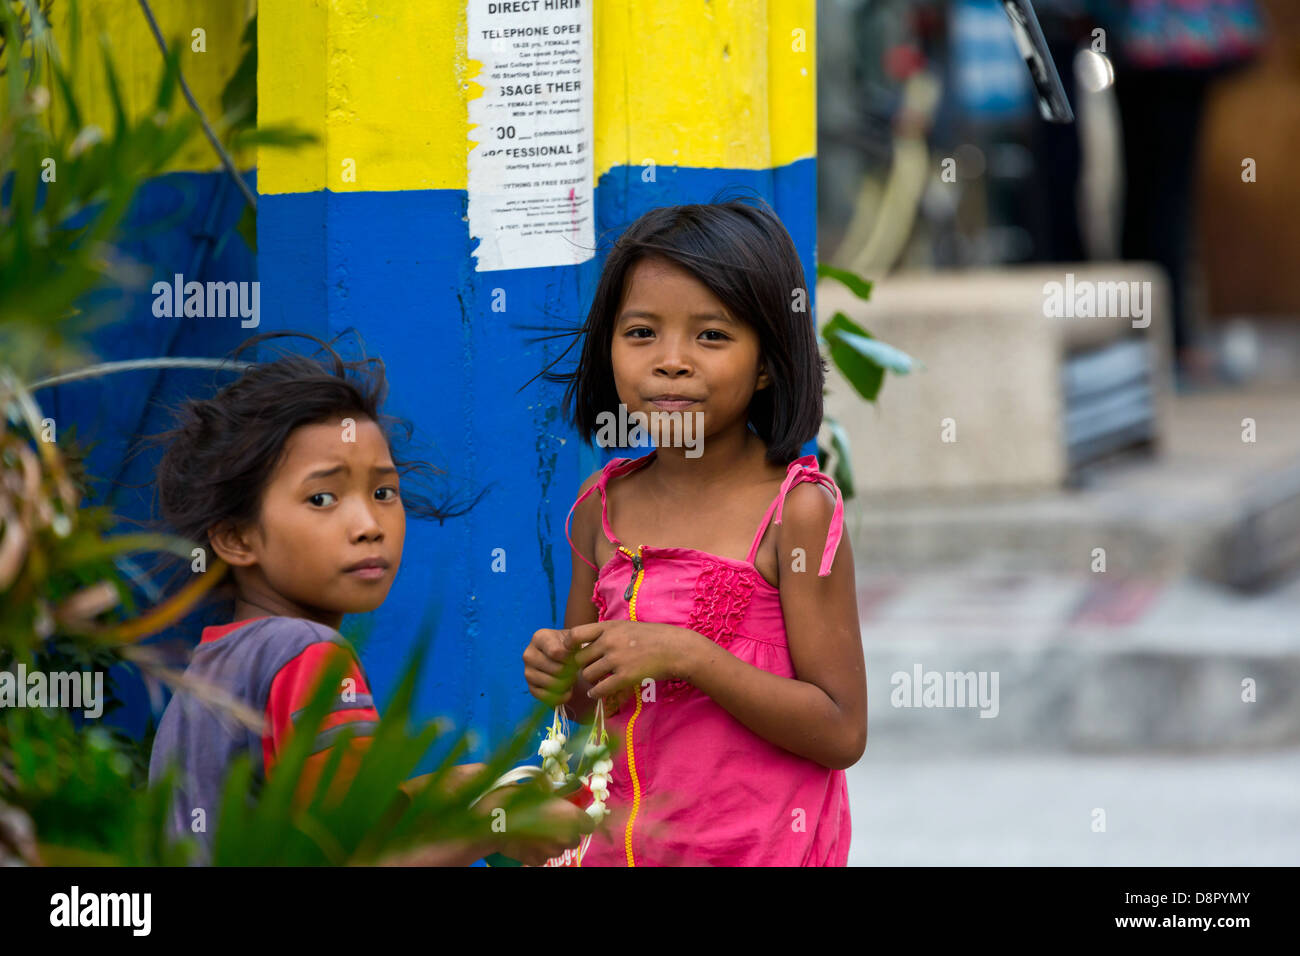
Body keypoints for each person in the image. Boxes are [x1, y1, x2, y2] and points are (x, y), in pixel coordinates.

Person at [147, 333, 590, 865]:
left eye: (383, 493)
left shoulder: (212, 665)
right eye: (322, 498)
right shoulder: (306, 652)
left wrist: (460, 785)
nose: (368, 526)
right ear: (237, 538)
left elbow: (328, 818)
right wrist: (499, 826)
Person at [524, 200, 867, 866]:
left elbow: (841, 729)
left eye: (711, 336)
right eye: (642, 332)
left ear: (766, 362)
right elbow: (584, 704)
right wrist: (560, 669)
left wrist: (692, 656)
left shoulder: (795, 512)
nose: (671, 361)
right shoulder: (603, 506)